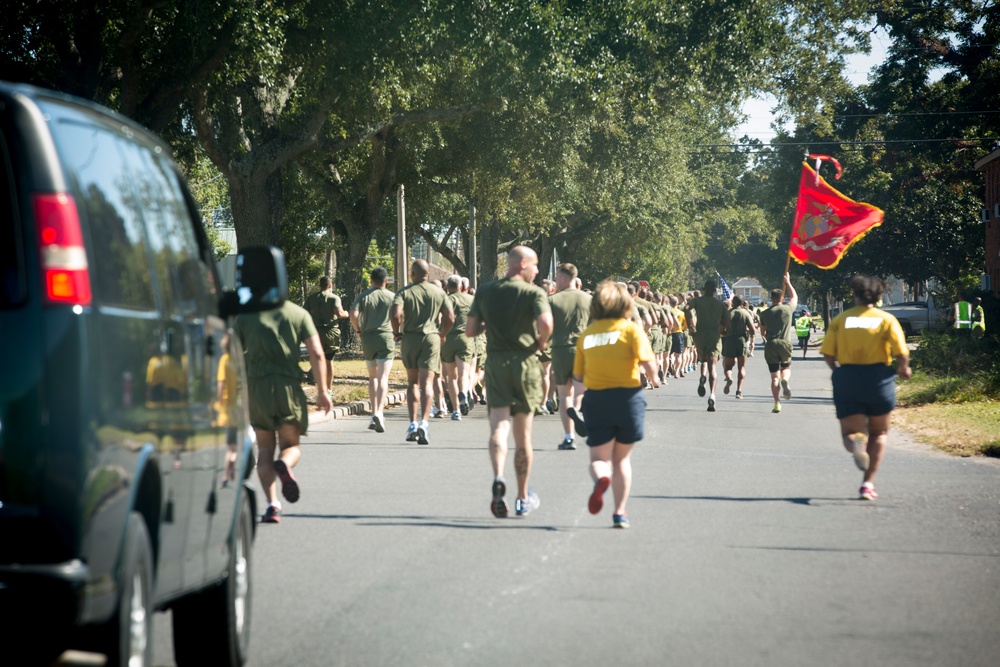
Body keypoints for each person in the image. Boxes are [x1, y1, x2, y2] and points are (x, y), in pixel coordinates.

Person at [466, 246, 553, 518]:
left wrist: (490, 325)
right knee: (523, 434)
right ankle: (522, 496)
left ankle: (498, 476)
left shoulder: (486, 290)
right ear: (523, 264)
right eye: (535, 266)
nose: (537, 271)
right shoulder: (533, 293)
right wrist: (540, 343)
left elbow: (470, 330)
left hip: (495, 362)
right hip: (525, 362)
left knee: (499, 425)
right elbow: (546, 323)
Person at [234, 299, 332, 524]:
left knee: (265, 448)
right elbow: (317, 354)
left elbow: (231, 355)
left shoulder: (244, 316)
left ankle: (272, 505)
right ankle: (285, 464)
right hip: (288, 387)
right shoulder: (298, 313)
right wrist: (323, 391)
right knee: (291, 446)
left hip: (257, 389)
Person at [573, 281, 659, 529]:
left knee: (599, 458)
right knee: (622, 460)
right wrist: (655, 378)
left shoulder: (587, 335)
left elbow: (578, 376)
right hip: (628, 398)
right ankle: (620, 512)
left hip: (597, 399)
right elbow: (649, 365)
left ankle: (602, 477)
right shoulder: (631, 330)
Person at [819, 275, 912, 501]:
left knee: (851, 431)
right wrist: (904, 368)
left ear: (855, 295)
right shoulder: (886, 319)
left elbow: (829, 354)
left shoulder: (841, 320)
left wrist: (838, 372)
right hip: (878, 378)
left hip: (849, 377)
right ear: (879, 297)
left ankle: (855, 442)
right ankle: (867, 484)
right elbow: (901, 351)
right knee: (879, 432)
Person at [391, 260, 455, 445]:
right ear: (429, 274)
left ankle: (412, 423)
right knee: (428, 382)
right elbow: (450, 318)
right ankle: (424, 424)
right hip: (431, 339)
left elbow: (395, 314)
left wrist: (397, 332)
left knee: (412, 382)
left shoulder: (404, 292)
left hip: (410, 338)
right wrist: (442, 334)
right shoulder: (439, 292)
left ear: (412, 274)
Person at [547, 263, 592, 450]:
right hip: (584, 348)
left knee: (564, 394)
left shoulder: (552, 300)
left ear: (564, 279)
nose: (555, 280)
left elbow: (545, 326)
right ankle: (580, 410)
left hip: (560, 349)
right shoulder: (589, 299)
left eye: (557, 277)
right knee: (582, 390)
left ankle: (569, 437)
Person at [350, 266, 396, 433]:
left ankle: (373, 412)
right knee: (383, 376)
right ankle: (380, 412)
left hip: (368, 337)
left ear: (371, 280)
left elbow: (353, 314)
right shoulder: (392, 296)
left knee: (372, 377)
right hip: (386, 337)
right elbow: (399, 316)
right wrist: (398, 331)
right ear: (386, 281)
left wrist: (358, 330)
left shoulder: (363, 296)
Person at [686, 279, 729, 411]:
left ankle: (702, 377)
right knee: (713, 367)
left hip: (700, 335)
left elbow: (686, 308)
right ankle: (712, 395)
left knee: (703, 359)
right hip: (713, 336)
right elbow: (727, 324)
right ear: (715, 291)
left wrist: (691, 326)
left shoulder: (697, 301)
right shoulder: (720, 304)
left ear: (704, 289)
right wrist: (722, 330)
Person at [758, 273, 798, 413]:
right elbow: (794, 297)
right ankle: (785, 380)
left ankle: (777, 403)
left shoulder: (764, 314)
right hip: (785, 344)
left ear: (771, 298)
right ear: (782, 298)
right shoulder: (788, 309)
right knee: (785, 368)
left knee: (774, 376)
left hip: (770, 344)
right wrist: (788, 282)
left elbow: (762, 332)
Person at [303, 276, 349, 389]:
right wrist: (346, 313)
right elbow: (339, 313)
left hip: (315, 332)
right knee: (329, 361)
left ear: (320, 285)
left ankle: (316, 380)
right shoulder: (334, 298)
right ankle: (328, 389)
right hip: (330, 332)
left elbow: (304, 313)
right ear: (330, 285)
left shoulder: (311, 298)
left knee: (317, 358)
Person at [442, 275, 475, 420]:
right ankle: (464, 393)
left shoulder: (445, 299)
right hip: (465, 338)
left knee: (451, 376)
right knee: (464, 373)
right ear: (461, 287)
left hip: (448, 338)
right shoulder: (471, 299)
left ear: (448, 287)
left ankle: (456, 411)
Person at [721, 295, 755, 399]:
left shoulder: (727, 313)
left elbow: (720, 329)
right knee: (741, 367)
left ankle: (729, 377)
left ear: (732, 302)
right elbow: (753, 330)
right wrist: (746, 332)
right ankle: (739, 391)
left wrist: (726, 333)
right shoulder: (745, 313)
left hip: (729, 340)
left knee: (728, 366)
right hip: (741, 340)